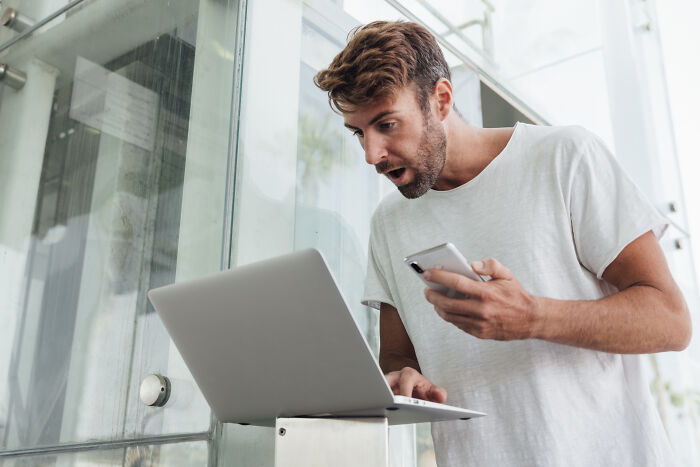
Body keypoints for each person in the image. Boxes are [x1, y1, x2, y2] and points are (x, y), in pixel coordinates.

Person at [314, 20, 692, 467]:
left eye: (386, 124)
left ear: (441, 100)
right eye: (359, 132)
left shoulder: (564, 158)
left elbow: (671, 320)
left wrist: (532, 317)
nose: (371, 154)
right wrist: (403, 378)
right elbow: (398, 359)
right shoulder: (389, 222)